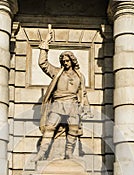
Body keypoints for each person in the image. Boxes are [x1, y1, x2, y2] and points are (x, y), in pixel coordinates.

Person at [33, 26, 91, 162]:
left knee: (73, 128)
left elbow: (83, 93)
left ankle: (69, 153)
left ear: (72, 60)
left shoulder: (79, 76)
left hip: (72, 104)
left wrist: (86, 107)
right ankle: (41, 152)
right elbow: (43, 63)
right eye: (63, 61)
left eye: (67, 60)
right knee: (50, 127)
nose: (65, 63)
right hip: (58, 103)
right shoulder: (57, 72)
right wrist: (45, 45)